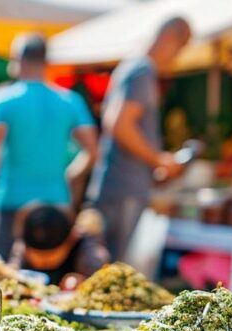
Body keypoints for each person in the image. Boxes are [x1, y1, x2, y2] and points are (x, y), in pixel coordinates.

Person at [0, 33, 99, 259]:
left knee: (7, 272)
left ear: (17, 59)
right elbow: (93, 151)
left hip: (12, 197)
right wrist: (70, 175)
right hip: (56, 198)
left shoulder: (2, 99)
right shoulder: (70, 100)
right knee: (50, 277)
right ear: (46, 62)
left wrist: (0, 174)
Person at [88, 18, 191, 262]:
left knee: (104, 264)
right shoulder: (143, 70)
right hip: (124, 187)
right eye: (181, 48)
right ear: (170, 39)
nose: (177, 58)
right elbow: (120, 124)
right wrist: (159, 160)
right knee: (111, 270)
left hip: (117, 184)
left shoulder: (132, 66)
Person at [8, 203, 109, 286]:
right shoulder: (23, 245)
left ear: (72, 237)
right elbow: (12, 270)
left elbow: (101, 281)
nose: (43, 263)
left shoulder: (87, 249)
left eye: (50, 255)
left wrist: (84, 282)